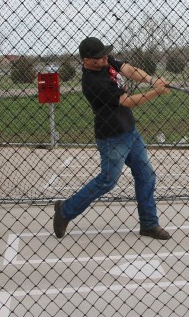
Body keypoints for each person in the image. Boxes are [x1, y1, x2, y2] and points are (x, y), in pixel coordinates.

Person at [53, 37, 172, 240]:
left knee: (146, 175)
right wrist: (156, 92)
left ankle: (149, 224)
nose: (105, 58)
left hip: (130, 131)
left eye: (105, 53)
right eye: (99, 57)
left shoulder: (106, 62)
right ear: (87, 61)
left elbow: (128, 69)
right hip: (112, 137)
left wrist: (152, 80)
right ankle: (65, 211)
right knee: (107, 181)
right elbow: (128, 102)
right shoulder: (93, 83)